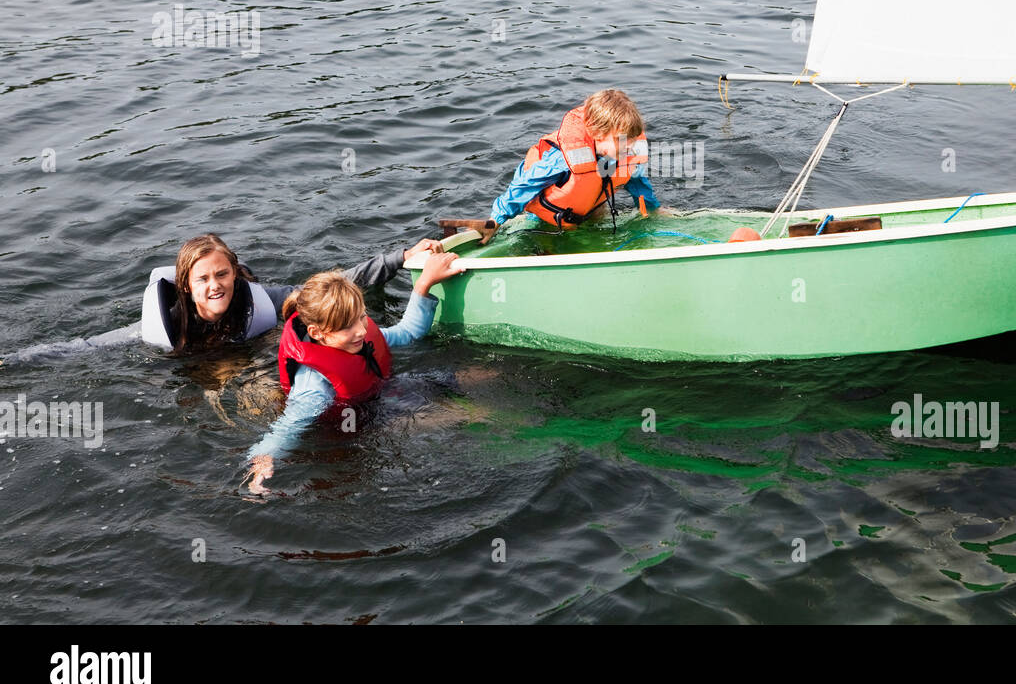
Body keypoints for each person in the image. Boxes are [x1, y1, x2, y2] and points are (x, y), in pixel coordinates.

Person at [2, 233, 442, 363]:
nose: (215, 286)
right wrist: (15, 360)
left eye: (223, 274)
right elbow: (84, 348)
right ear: (186, 286)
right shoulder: (161, 326)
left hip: (252, 354)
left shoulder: (261, 304)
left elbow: (329, 288)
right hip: (190, 373)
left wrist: (402, 257)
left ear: (236, 273)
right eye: (203, 279)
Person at [244, 252, 464, 493]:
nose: (361, 330)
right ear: (318, 333)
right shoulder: (314, 385)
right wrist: (263, 459)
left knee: (468, 375)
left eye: (362, 318)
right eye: (348, 326)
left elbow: (407, 332)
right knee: (464, 417)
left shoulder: (355, 337)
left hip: (385, 391)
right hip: (363, 422)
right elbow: (289, 426)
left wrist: (424, 284)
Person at [488, 89, 665, 231]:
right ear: (598, 134)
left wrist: (653, 210)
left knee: (598, 209)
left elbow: (637, 183)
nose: (629, 146)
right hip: (549, 216)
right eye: (622, 139)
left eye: (633, 139)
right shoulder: (564, 159)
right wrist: (495, 221)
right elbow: (525, 185)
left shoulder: (624, 153)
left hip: (588, 206)